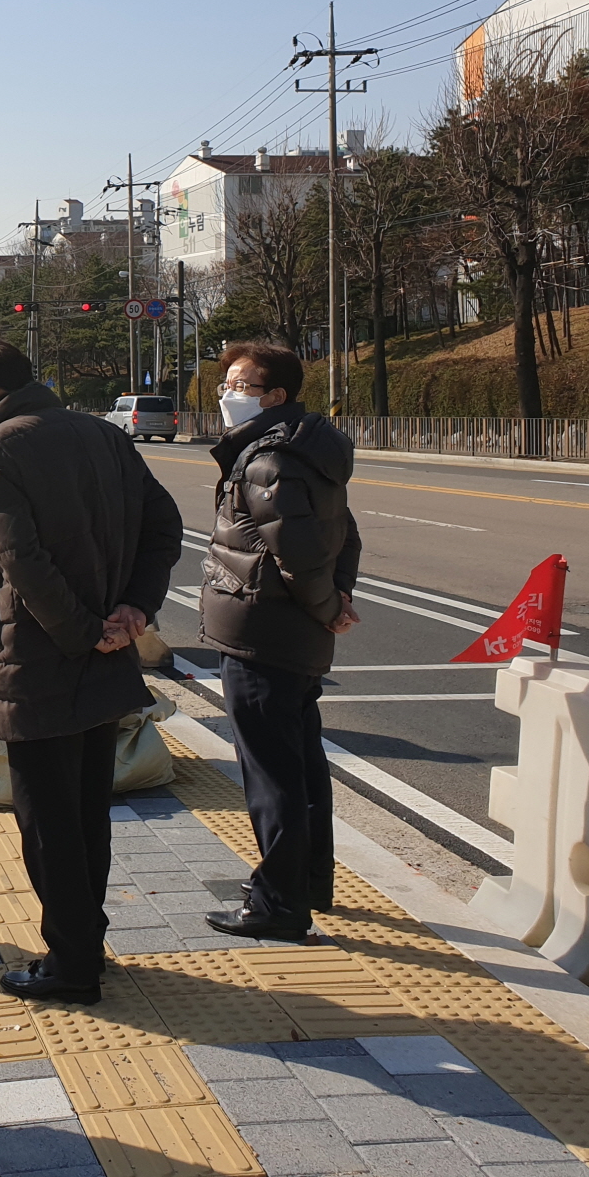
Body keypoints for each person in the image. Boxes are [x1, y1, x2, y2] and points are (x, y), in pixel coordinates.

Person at [0, 341, 182, 1003]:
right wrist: (131, 611)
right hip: (102, 653)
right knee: (85, 813)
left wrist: (82, 633)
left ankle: (70, 964)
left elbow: (18, 556)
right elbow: (166, 527)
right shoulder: (104, 437)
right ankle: (86, 941)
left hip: (38, 659)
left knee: (47, 820)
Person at [198, 342, 361, 942]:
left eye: (240, 385)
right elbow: (345, 537)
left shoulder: (268, 459)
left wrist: (327, 609)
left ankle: (279, 904)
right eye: (225, 384)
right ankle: (308, 881)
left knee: (271, 774)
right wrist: (335, 601)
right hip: (291, 634)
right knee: (301, 764)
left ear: (276, 397)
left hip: (261, 629)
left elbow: (296, 552)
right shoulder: (309, 449)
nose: (226, 395)